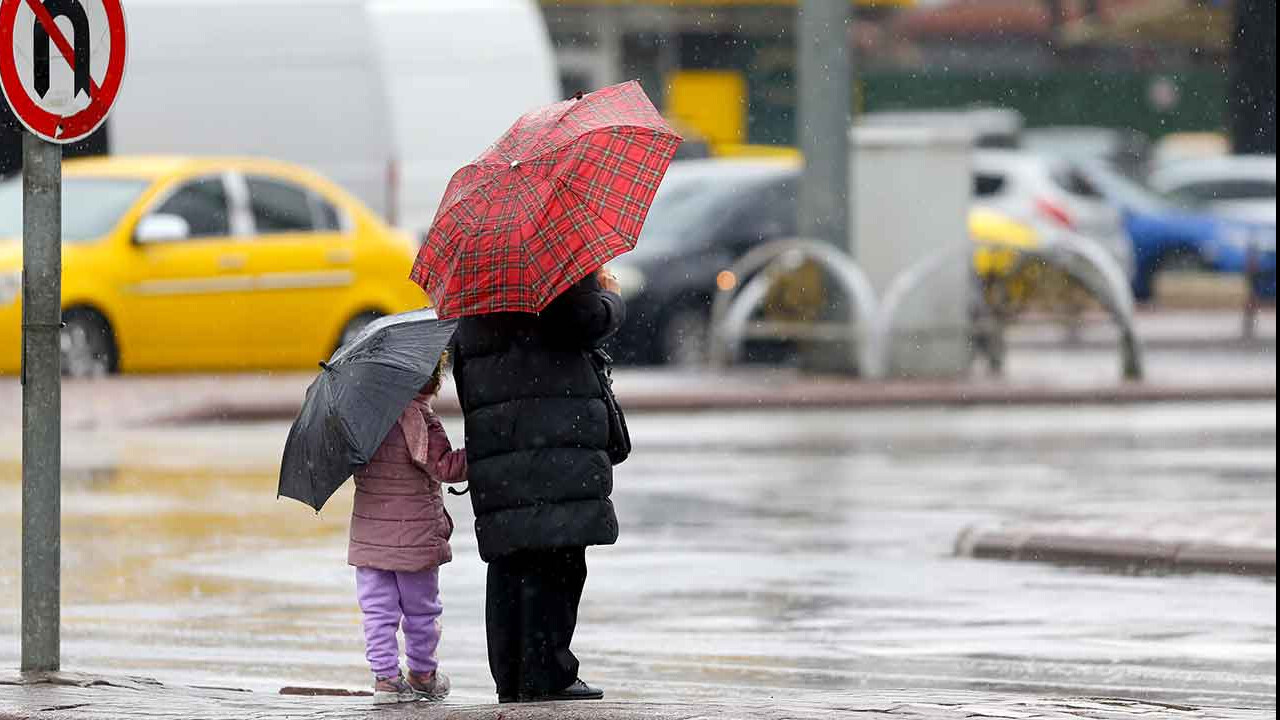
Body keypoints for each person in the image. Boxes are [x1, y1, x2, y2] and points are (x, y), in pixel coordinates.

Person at [451, 266, 625, 703]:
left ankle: (511, 675)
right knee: (559, 553)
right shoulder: (555, 261)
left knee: (512, 555)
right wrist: (610, 298)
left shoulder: (475, 273)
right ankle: (547, 673)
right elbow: (580, 320)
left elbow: (463, 359)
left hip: (500, 433)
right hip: (556, 426)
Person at [348, 354, 467, 705]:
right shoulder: (421, 420)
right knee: (421, 610)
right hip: (414, 541)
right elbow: (445, 467)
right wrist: (478, 456)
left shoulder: (363, 420)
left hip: (370, 540)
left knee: (378, 611)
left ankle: (385, 679)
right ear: (431, 383)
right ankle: (422, 674)